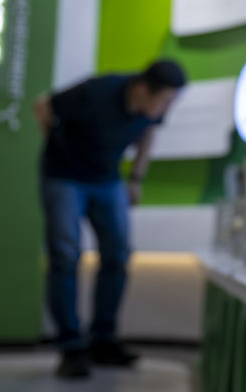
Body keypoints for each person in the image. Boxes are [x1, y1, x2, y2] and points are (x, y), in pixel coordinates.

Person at [33, 59, 187, 379]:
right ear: (142, 89)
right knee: (65, 255)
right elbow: (43, 105)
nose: (166, 108)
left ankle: (103, 340)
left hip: (107, 180)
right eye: (164, 100)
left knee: (117, 255)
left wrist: (136, 178)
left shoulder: (153, 108)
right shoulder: (97, 92)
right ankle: (71, 346)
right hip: (65, 178)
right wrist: (57, 148)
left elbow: (148, 132)